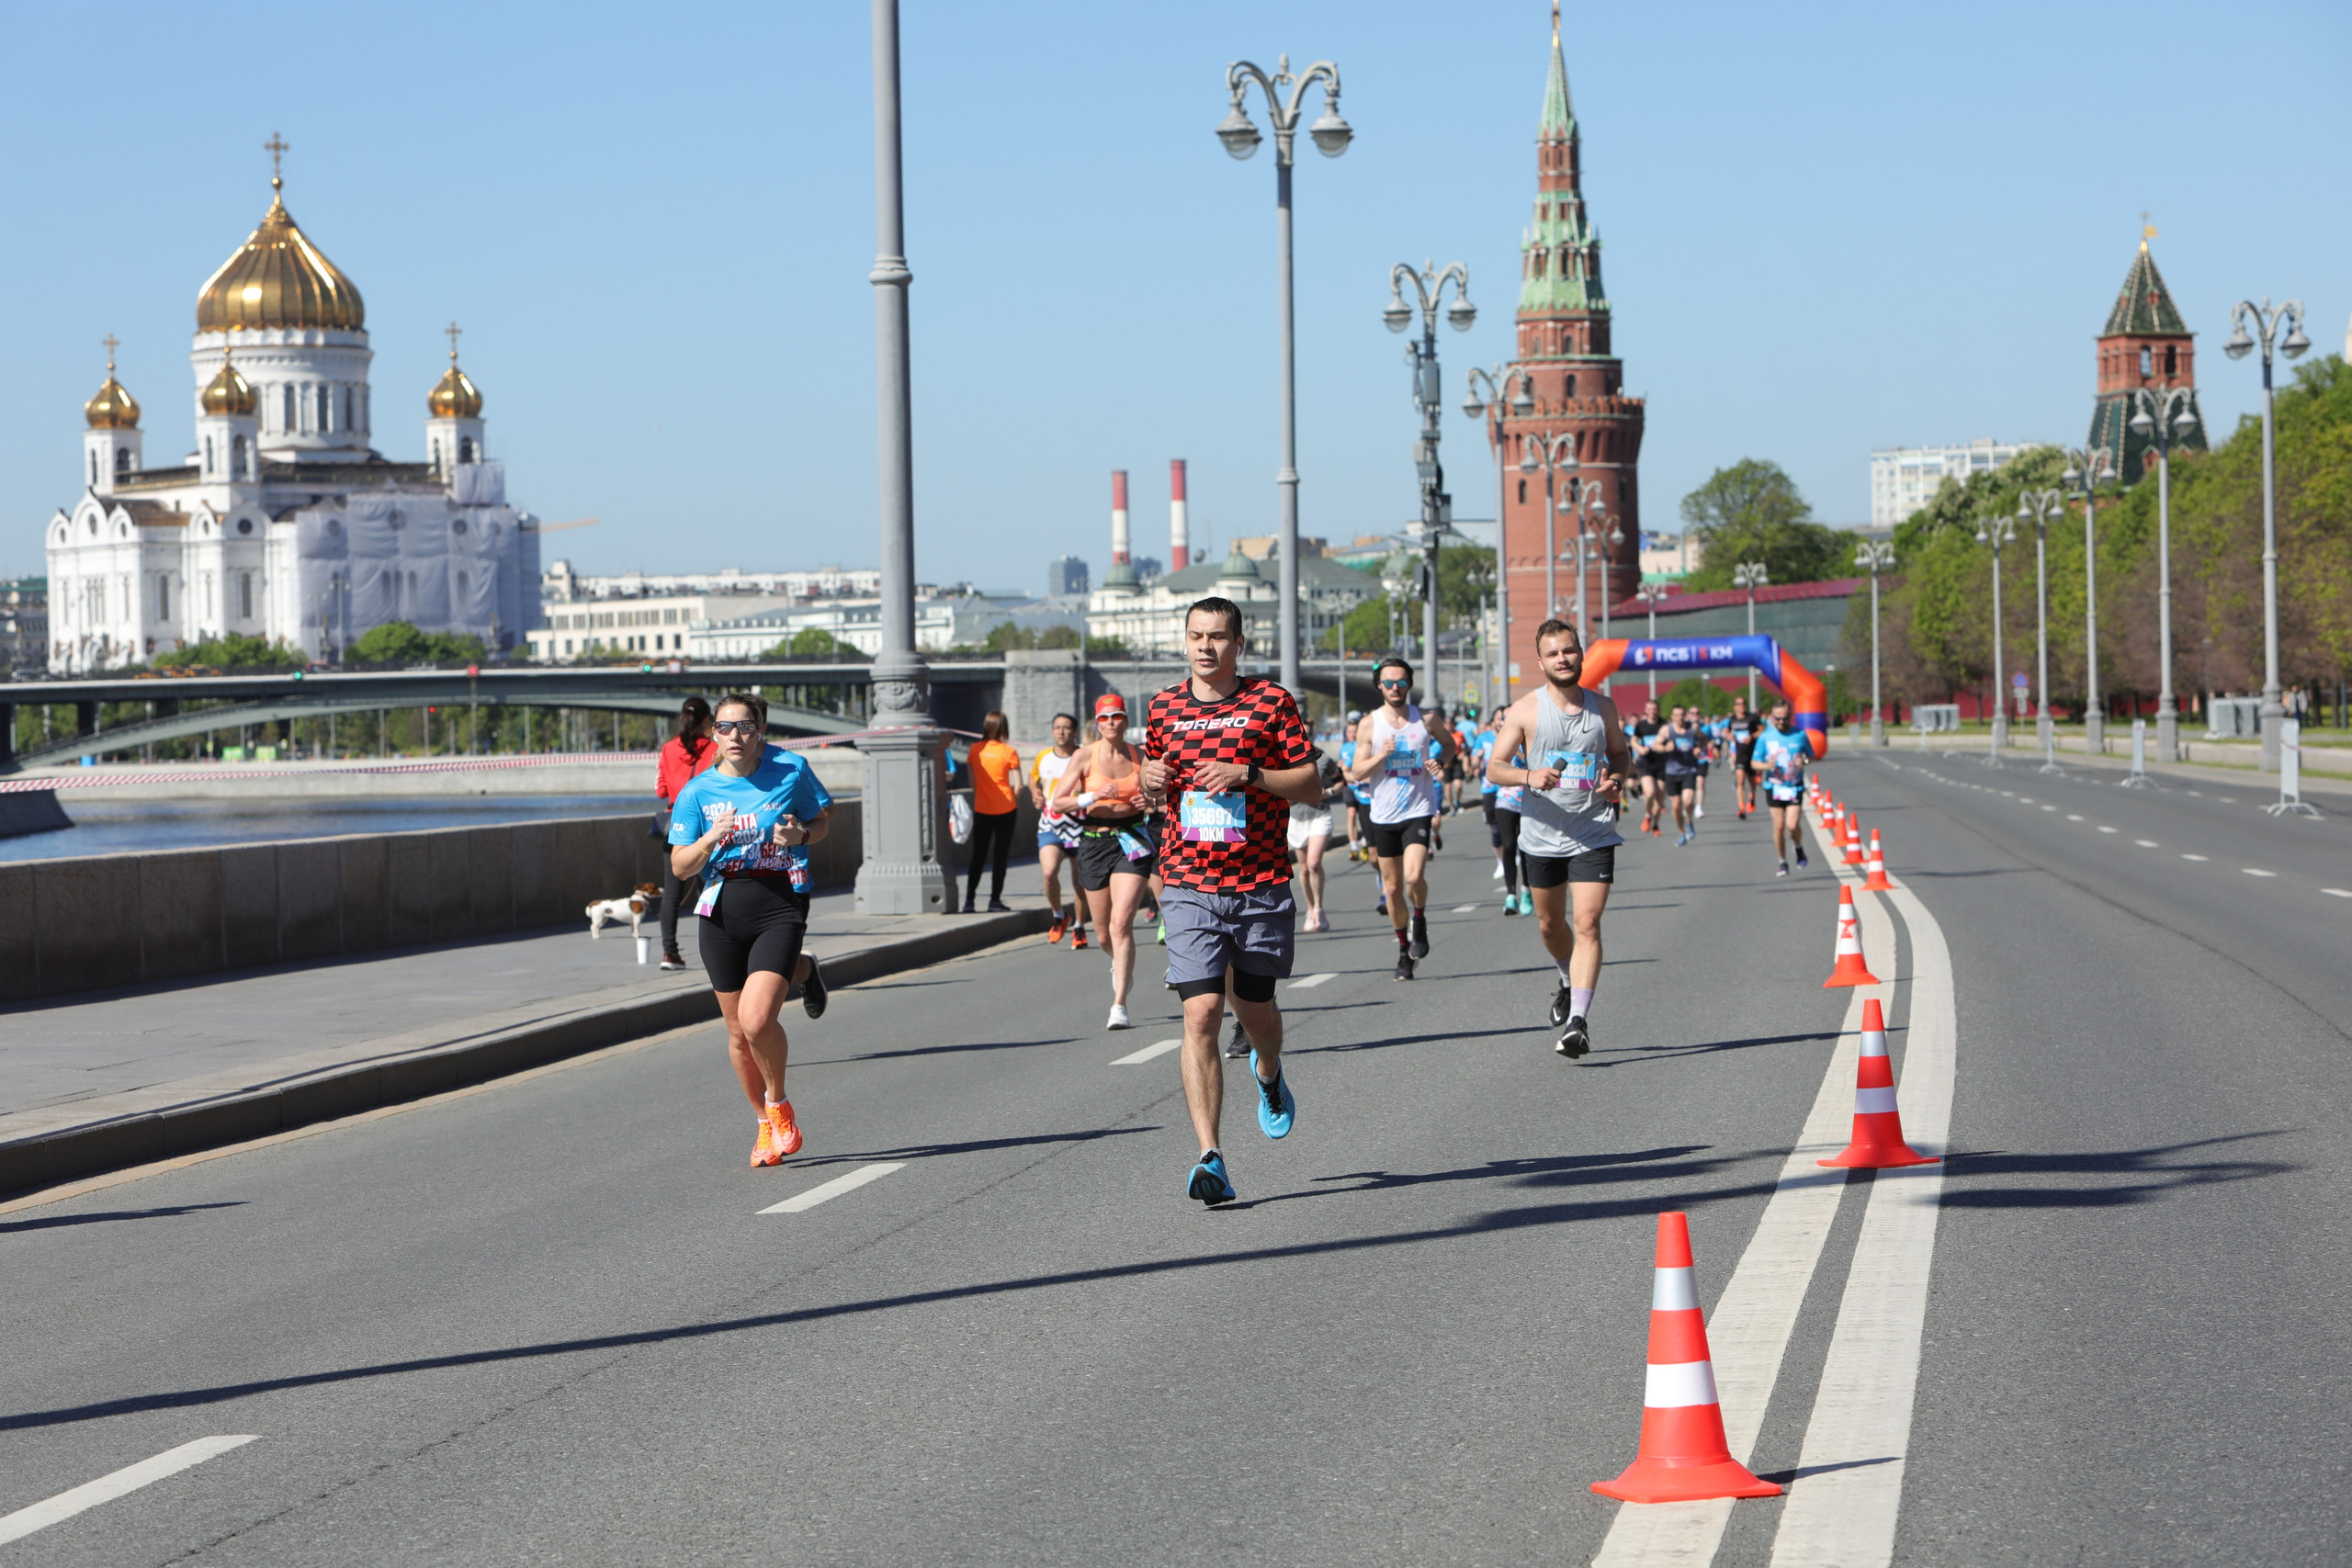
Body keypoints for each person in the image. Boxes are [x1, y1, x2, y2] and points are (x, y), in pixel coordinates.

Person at [1138, 596, 1324, 1207]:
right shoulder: (1164, 707)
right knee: (1200, 1015)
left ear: (1238, 643)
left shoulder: (1270, 703)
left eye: (1218, 636)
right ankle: (1209, 1155)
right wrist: (1148, 780)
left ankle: (1268, 1072)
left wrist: (1250, 774)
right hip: (1188, 881)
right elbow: (1150, 777)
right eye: (1196, 635)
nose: (1206, 647)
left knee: (1256, 1009)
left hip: (1260, 884)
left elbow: (1311, 784)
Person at [667, 693, 835, 1168]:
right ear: (713, 735)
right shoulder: (697, 792)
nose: (734, 737)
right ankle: (762, 1122)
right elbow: (680, 867)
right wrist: (709, 838)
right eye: (724, 728)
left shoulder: (790, 772)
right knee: (738, 1033)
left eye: (744, 727)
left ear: (760, 730)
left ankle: (779, 1105)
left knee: (758, 1019)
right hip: (720, 911)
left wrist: (801, 836)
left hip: (778, 902)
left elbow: (822, 820)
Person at [1484, 621, 1631, 1058]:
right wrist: (1529, 775)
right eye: (1553, 654)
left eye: (1569, 651)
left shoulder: (1603, 708)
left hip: (1593, 831)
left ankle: (1578, 1022)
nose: (1563, 659)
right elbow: (1495, 767)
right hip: (1542, 836)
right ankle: (1566, 979)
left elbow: (1620, 754)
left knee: (1587, 923)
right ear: (1542, 662)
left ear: (1582, 654)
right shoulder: (1526, 710)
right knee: (1550, 925)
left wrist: (1617, 778)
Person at [1050, 692, 1155, 1029]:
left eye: (1118, 716)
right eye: (1105, 718)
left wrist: (1149, 799)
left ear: (1125, 721)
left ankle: (1119, 1004)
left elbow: (1165, 792)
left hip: (1132, 838)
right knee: (1103, 933)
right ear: (1098, 724)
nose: (1112, 722)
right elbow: (1059, 802)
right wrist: (1092, 795)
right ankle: (1121, 965)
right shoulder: (1084, 757)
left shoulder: (1141, 756)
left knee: (1121, 924)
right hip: (1094, 841)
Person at [1347, 657, 1454, 980]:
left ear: (1409, 684)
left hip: (1419, 810)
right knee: (1392, 890)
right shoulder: (1370, 723)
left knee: (1412, 877)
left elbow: (1449, 746)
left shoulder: (1426, 719)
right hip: (1383, 814)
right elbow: (1356, 770)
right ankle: (1403, 948)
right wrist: (1382, 754)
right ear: (1379, 686)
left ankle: (1419, 917)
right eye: (1389, 683)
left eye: (1402, 682)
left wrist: (1440, 762)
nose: (1396, 688)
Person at [654, 695, 718, 972]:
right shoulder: (715, 748)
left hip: (675, 826)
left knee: (671, 894)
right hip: (706, 826)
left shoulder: (668, 748)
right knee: (710, 889)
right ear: (707, 721)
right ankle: (715, 951)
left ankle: (669, 952)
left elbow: (660, 791)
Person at [1029, 712, 1086, 947]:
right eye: (1057, 728)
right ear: (1052, 732)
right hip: (1050, 824)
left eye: (1065, 728)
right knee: (1048, 874)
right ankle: (1059, 915)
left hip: (1080, 826)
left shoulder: (1084, 756)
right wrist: (1035, 792)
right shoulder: (1043, 757)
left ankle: (1080, 927)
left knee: (1079, 881)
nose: (1061, 732)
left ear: (1074, 732)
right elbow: (1033, 778)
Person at [962, 711, 1021, 914]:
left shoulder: (975, 750)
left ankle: (969, 900)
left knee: (978, 855)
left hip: (982, 808)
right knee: (1000, 856)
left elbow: (972, 783)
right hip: (1006, 809)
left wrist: (983, 795)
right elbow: (1019, 786)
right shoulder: (1009, 751)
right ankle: (994, 900)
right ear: (1004, 728)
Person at [1287, 747, 1344, 933]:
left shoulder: (1324, 758)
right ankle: (1310, 909)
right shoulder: (1287, 758)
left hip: (1320, 815)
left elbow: (1340, 782)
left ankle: (1319, 908)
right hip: (1297, 818)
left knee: (1313, 864)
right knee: (1303, 869)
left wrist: (1329, 793)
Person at [1755, 697, 1814, 876]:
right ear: (1772, 717)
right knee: (1779, 826)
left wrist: (1802, 761)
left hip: (1794, 785)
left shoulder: (1800, 734)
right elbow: (1755, 763)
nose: (1781, 722)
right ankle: (1782, 861)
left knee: (1792, 825)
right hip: (1774, 786)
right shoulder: (1765, 737)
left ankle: (1798, 847)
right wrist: (1767, 766)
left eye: (1785, 718)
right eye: (1777, 718)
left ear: (1790, 717)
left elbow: (1810, 756)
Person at [1660, 704, 1702, 845]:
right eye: (1677, 715)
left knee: (1688, 800)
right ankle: (1681, 831)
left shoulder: (1693, 728)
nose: (1680, 718)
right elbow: (1655, 745)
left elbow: (1704, 740)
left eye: (1682, 714)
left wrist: (1699, 748)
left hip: (1689, 770)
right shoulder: (1667, 730)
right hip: (1671, 772)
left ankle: (1689, 820)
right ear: (1672, 717)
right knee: (1676, 804)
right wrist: (1666, 747)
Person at [1337, 714, 1373, 863]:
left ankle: (1365, 841)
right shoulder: (1344, 748)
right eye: (1349, 732)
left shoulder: (1363, 746)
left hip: (1364, 787)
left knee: (1366, 818)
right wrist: (1339, 767)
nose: (1352, 734)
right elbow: (1340, 768)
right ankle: (1353, 847)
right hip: (1349, 786)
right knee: (1351, 814)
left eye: (1354, 731)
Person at [1629, 696, 1667, 836]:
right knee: (1649, 792)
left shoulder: (1664, 725)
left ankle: (1656, 825)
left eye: (1655, 709)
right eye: (1650, 709)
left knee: (1660, 798)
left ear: (1658, 710)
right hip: (1647, 763)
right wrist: (1640, 748)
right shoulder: (1641, 725)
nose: (1652, 712)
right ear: (1646, 710)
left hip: (1662, 764)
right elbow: (1633, 741)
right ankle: (1647, 815)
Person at [1724, 694, 1763, 819]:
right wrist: (1729, 736)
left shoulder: (1752, 717)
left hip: (1752, 753)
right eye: (1738, 704)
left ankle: (1752, 797)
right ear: (1735, 706)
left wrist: (1752, 737)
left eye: (1743, 703)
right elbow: (1726, 731)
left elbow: (1762, 730)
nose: (1741, 706)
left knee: (1752, 781)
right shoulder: (1732, 720)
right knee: (1740, 781)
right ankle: (1741, 808)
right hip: (1739, 754)